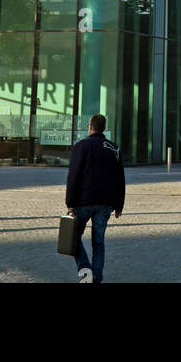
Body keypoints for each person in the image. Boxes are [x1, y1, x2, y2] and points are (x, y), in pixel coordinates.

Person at [65, 114, 125, 284]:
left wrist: (70, 201)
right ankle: (96, 277)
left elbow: (74, 175)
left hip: (84, 201)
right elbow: (120, 178)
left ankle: (85, 269)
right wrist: (119, 204)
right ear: (104, 128)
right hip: (106, 203)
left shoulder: (82, 146)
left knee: (73, 238)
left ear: (90, 127)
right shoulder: (114, 148)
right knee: (98, 242)